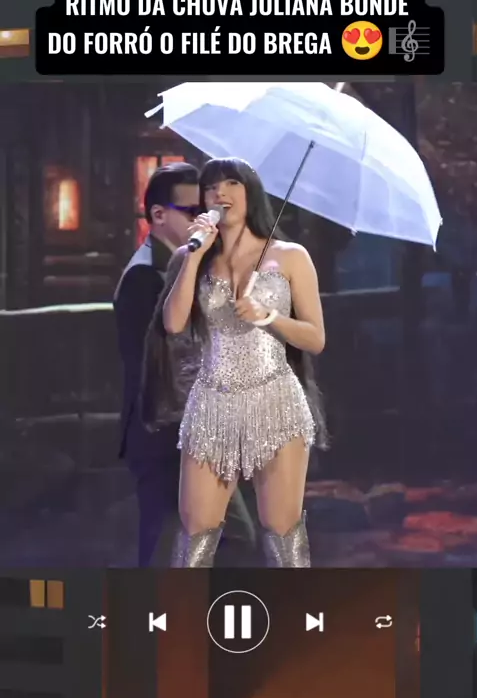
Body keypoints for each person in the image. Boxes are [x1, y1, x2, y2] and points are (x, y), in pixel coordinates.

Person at [143, 157, 328, 568]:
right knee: (195, 533)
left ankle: (297, 608)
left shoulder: (290, 256)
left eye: (231, 184)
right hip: (212, 401)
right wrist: (194, 256)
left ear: (251, 193)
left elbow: (315, 339)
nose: (220, 193)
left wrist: (269, 316)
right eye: (211, 187)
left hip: (275, 400)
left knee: (281, 531)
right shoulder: (192, 256)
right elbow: (173, 324)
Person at [114, 162, 254, 567]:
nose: (206, 220)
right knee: (171, 545)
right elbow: (166, 357)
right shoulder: (146, 276)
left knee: (221, 541)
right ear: (158, 215)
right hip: (165, 433)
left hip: (187, 429)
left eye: (208, 210)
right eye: (193, 211)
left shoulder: (176, 267)